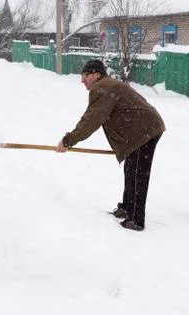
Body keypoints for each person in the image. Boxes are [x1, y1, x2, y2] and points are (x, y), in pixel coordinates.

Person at [56, 59, 165, 231]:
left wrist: (69, 140)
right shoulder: (108, 85)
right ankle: (128, 208)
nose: (82, 80)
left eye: (85, 76)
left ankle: (136, 219)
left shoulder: (102, 88)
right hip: (142, 129)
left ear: (96, 75)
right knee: (131, 169)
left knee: (137, 173)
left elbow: (91, 120)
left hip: (144, 131)